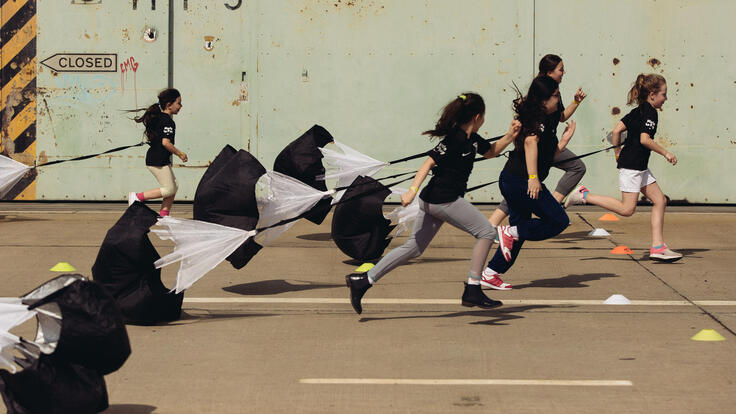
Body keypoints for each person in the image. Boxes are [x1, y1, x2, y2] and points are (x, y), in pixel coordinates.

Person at [345, 93, 521, 314]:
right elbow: (428, 163)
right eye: (484, 116)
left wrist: (510, 135)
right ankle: (473, 288)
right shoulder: (455, 139)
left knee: (414, 248)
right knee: (486, 232)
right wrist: (411, 191)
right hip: (442, 200)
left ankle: (363, 281)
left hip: (434, 201)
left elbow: (491, 152)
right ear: (477, 117)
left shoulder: (473, 140)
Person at [483, 54, 586, 291]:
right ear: (543, 100)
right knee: (559, 221)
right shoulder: (537, 119)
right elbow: (530, 143)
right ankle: (508, 232)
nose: (558, 101)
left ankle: (490, 272)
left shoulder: (547, 116)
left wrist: (563, 141)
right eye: (556, 97)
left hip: (514, 180)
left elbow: (547, 155)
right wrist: (533, 178)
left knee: (517, 234)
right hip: (520, 181)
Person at [565, 74, 682, 262]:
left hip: (637, 165)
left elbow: (617, 131)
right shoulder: (651, 113)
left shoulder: (637, 111)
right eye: (664, 94)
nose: (666, 98)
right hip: (633, 166)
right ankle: (584, 195)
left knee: (660, 200)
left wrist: (618, 153)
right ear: (652, 94)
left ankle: (658, 247)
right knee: (627, 209)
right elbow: (645, 139)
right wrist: (666, 153)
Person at [127, 88, 187, 217]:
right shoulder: (168, 121)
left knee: (173, 186)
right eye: (179, 103)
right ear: (168, 105)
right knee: (169, 189)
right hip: (157, 160)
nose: (181, 106)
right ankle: (137, 197)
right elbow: (166, 143)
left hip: (157, 158)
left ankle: (164, 214)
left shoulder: (159, 117)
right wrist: (180, 154)